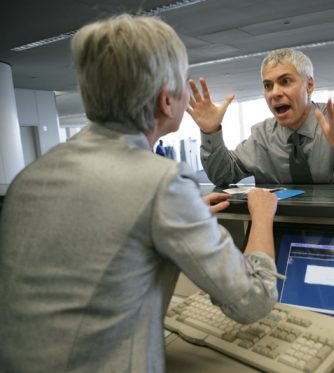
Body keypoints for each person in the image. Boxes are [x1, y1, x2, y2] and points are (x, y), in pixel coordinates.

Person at [0, 14, 279, 373]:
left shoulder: (33, 174)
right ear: (166, 101)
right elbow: (253, 301)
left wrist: (183, 213)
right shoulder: (161, 183)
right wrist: (262, 219)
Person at [187, 48, 334, 187]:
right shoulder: (261, 136)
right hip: (280, 237)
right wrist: (210, 133)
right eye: (268, 85)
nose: (274, 93)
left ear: (309, 85)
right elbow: (223, 175)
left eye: (285, 81)